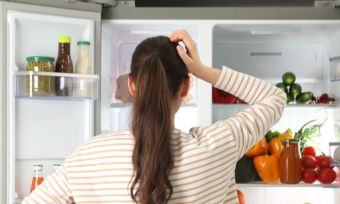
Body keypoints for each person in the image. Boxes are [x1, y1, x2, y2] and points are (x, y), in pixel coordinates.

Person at [22, 30, 286, 204]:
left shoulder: (90, 155)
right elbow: (274, 98)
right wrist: (202, 70)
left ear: (133, 86)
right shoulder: (217, 146)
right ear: (185, 87)